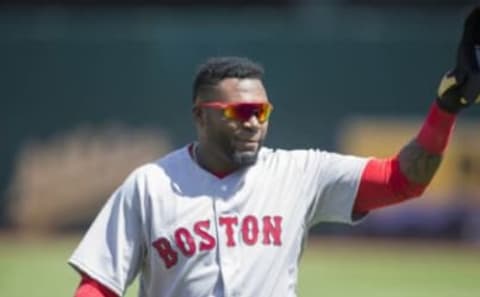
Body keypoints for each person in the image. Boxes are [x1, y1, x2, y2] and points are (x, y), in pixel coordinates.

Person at [70, 7, 480, 297]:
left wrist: (444, 110)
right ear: (200, 116)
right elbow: (99, 285)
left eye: (261, 110)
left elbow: (402, 180)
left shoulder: (299, 173)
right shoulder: (150, 186)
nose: (254, 122)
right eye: (239, 111)